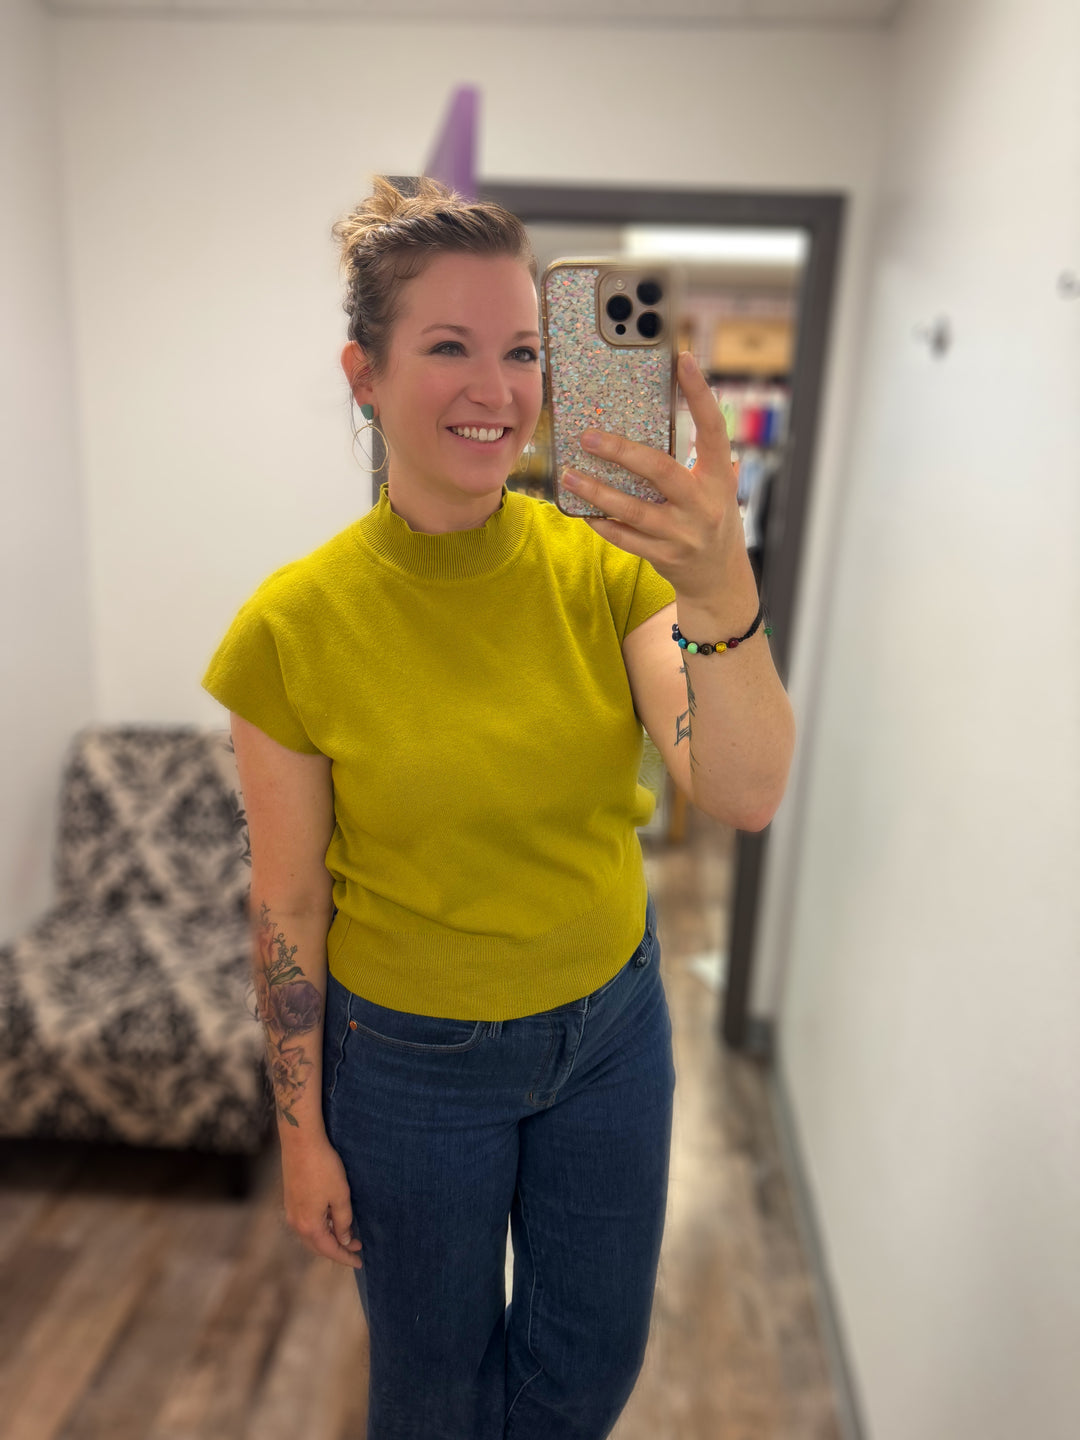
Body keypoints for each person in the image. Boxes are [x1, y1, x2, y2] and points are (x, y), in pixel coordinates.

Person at [201, 173, 781, 1439]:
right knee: (432, 1387)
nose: (498, 389)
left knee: (587, 1373)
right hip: (409, 1067)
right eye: (449, 347)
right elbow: (287, 902)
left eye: (523, 350)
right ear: (364, 375)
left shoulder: (608, 569)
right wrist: (299, 1133)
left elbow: (741, 790)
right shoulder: (292, 628)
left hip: (612, 1031)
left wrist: (721, 586)